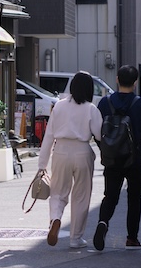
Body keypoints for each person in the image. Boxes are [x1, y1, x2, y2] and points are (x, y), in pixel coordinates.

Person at [37, 71, 102, 249]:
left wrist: (42, 165)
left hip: (61, 151)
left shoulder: (59, 106)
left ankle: (55, 219)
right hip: (82, 151)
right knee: (81, 196)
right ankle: (75, 238)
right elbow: (99, 134)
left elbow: (49, 136)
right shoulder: (91, 108)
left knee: (58, 192)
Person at [93, 65, 141, 251]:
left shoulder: (104, 103)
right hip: (134, 160)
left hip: (112, 159)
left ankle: (103, 222)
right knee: (134, 198)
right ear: (135, 83)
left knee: (110, 196)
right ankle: (132, 239)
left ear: (117, 79)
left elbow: (97, 131)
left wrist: (105, 148)